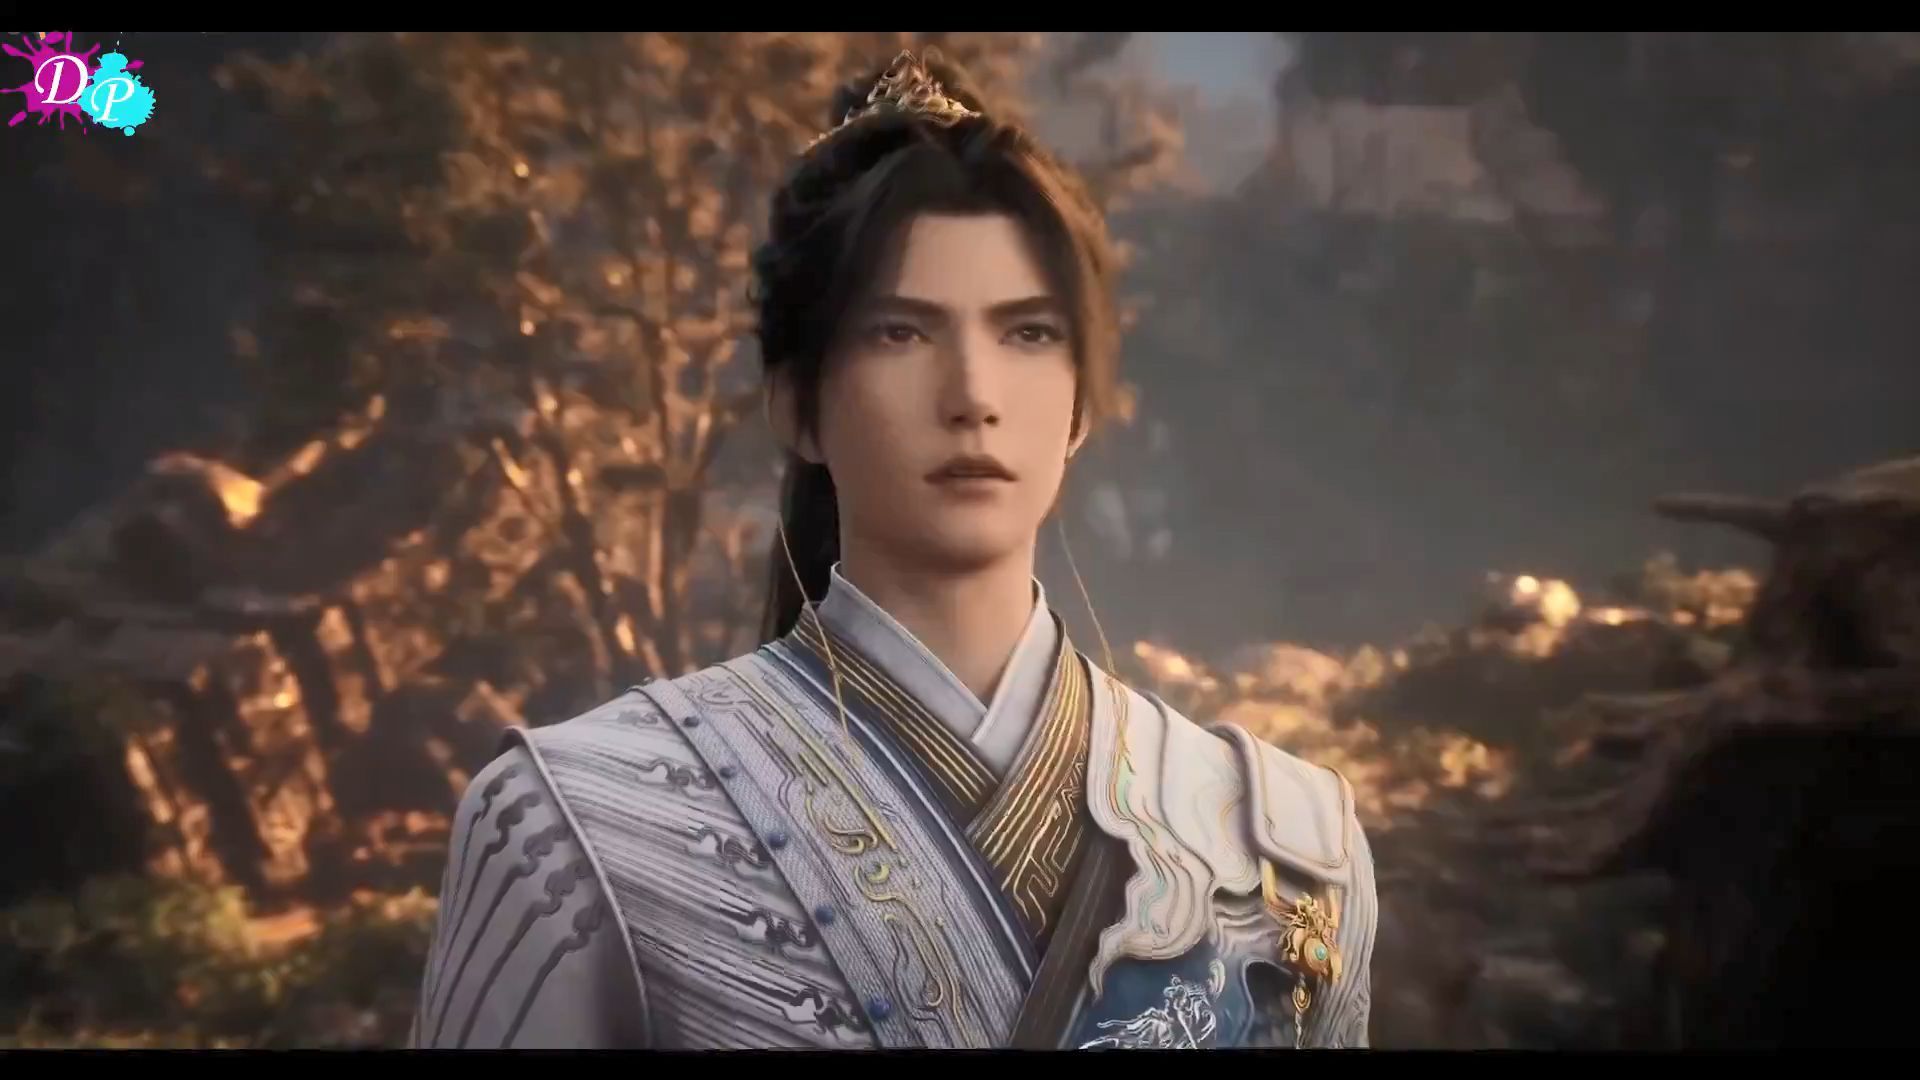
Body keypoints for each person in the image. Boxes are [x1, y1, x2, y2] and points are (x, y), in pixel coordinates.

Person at [408, 48, 1377, 1051]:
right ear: (798, 407)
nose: (973, 396)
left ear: (1082, 404)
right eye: (901, 334)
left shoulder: (1288, 847)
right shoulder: (578, 827)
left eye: (1028, 333)